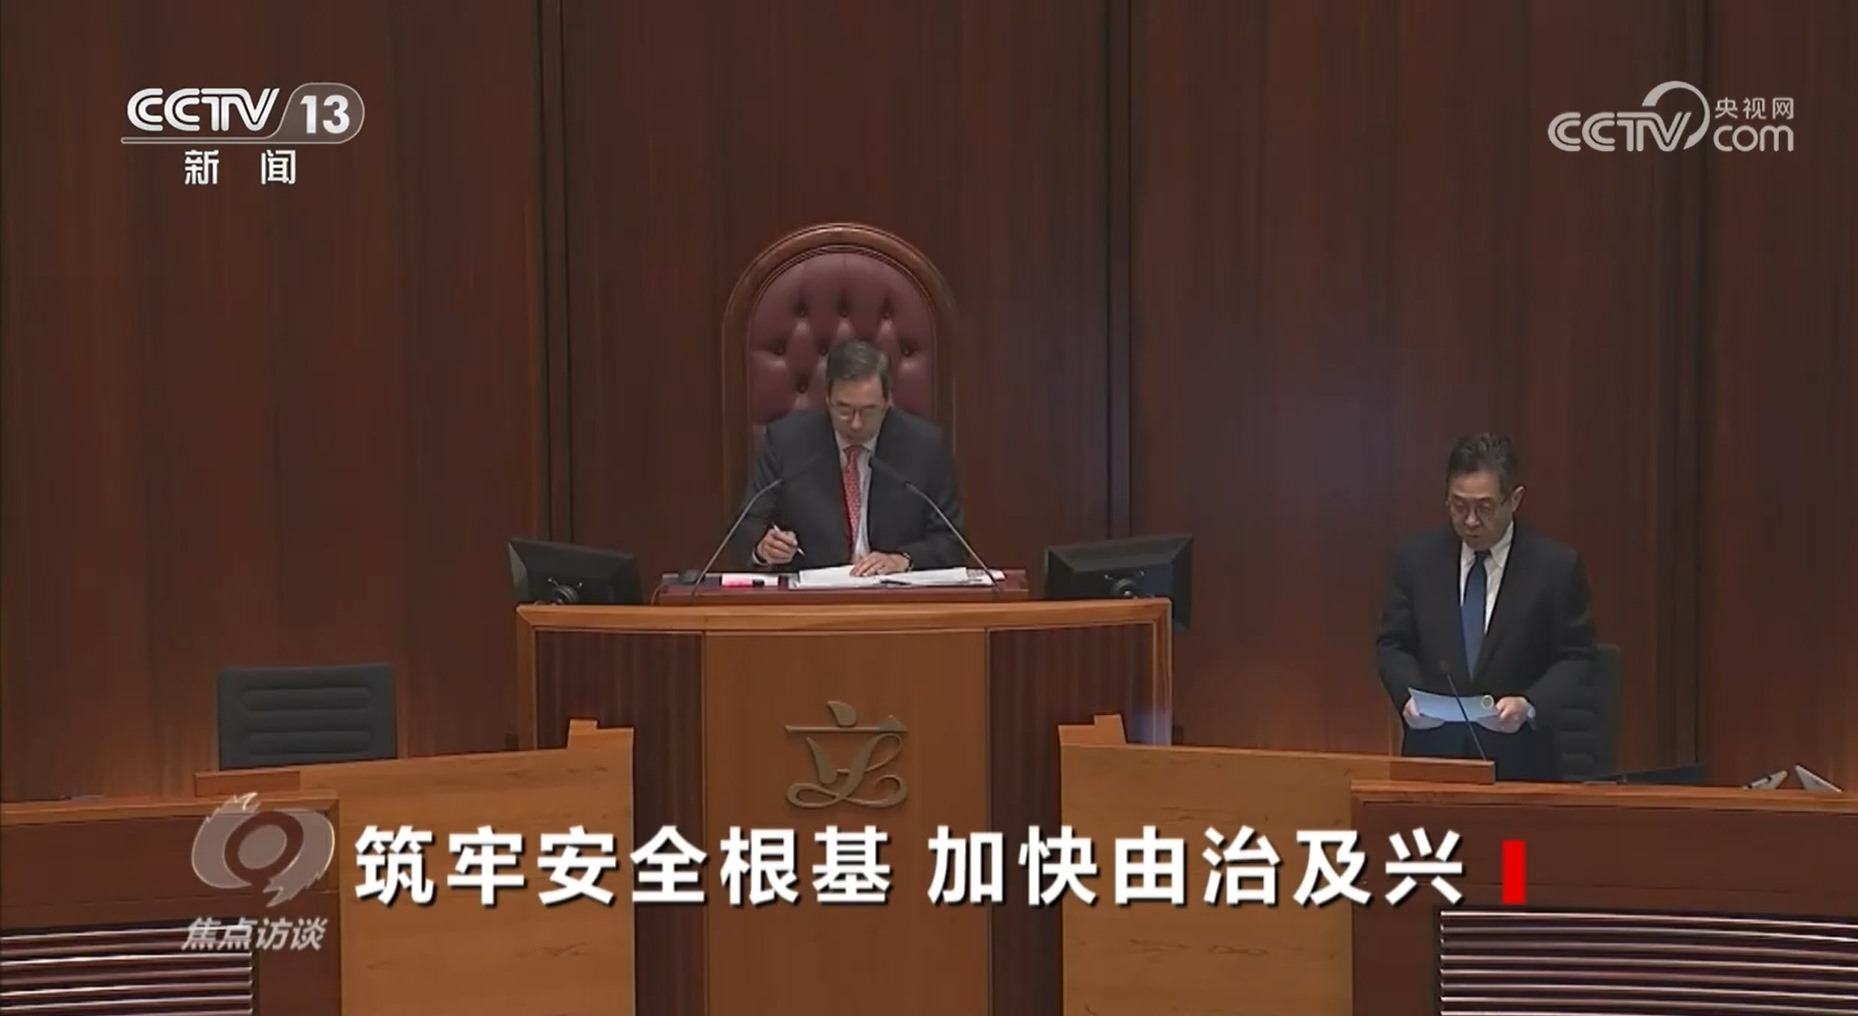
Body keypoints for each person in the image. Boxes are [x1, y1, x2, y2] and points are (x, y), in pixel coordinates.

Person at [1374, 433, 1596, 781]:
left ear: (1515, 499)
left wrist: (1529, 704)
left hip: (1520, 764)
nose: (1471, 521)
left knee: (1515, 824)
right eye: (1458, 506)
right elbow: (1393, 644)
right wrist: (1408, 696)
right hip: (1434, 759)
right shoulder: (1416, 560)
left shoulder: (1554, 568)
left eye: (1484, 508)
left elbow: (1577, 657)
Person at [732, 339, 967, 576]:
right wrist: (764, 548)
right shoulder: (787, 443)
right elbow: (747, 526)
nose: (856, 423)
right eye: (844, 410)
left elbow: (952, 540)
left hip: (894, 591)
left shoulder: (924, 446)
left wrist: (904, 559)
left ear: (886, 402)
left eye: (868, 410)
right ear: (827, 399)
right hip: (815, 593)